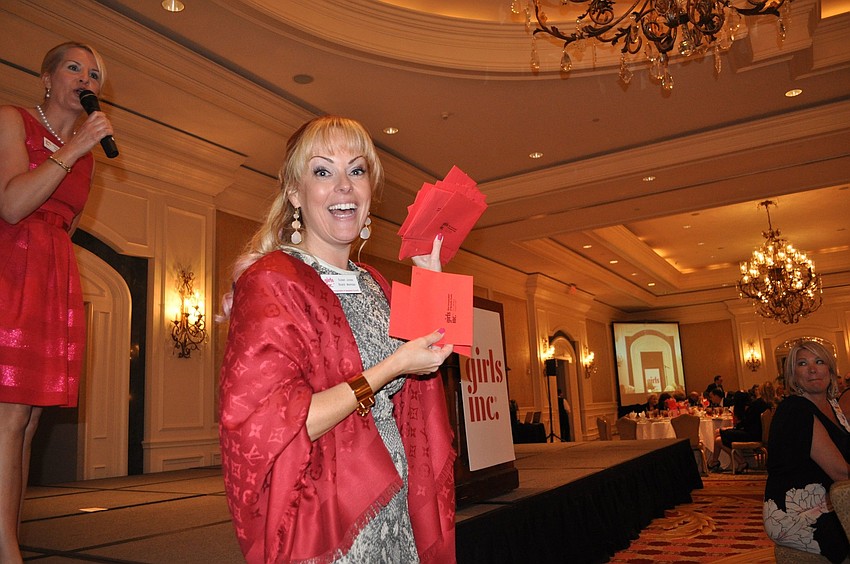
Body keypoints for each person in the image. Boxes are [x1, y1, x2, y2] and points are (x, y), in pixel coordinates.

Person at [218, 116, 457, 563]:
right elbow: (288, 421)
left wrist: (430, 280)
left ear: (371, 192)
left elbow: (418, 380)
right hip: (326, 513)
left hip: (393, 501)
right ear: (295, 194)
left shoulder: (375, 284)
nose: (344, 186)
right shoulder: (272, 281)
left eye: (358, 170)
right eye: (323, 172)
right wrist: (391, 367)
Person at [0, 42, 113, 563]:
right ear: (46, 76)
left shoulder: (86, 156)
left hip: (51, 274)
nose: (85, 78)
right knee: (9, 416)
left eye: (94, 74)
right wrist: (70, 150)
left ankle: (8, 538)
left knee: (27, 422)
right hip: (11, 270)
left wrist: (77, 149)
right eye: (74, 67)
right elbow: (14, 203)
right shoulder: (12, 120)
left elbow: (62, 224)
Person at [764, 340, 850, 562]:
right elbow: (841, 472)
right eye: (803, 363)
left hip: (832, 501)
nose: (812, 369)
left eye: (819, 361)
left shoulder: (833, 405)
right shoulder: (795, 409)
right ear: (793, 376)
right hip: (801, 514)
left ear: (830, 370)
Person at [707, 389, 770, 473]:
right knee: (718, 439)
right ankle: (736, 461)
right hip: (753, 433)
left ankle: (718, 462)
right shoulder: (755, 406)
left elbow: (744, 425)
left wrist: (730, 429)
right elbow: (744, 425)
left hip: (751, 435)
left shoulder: (751, 409)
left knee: (718, 436)